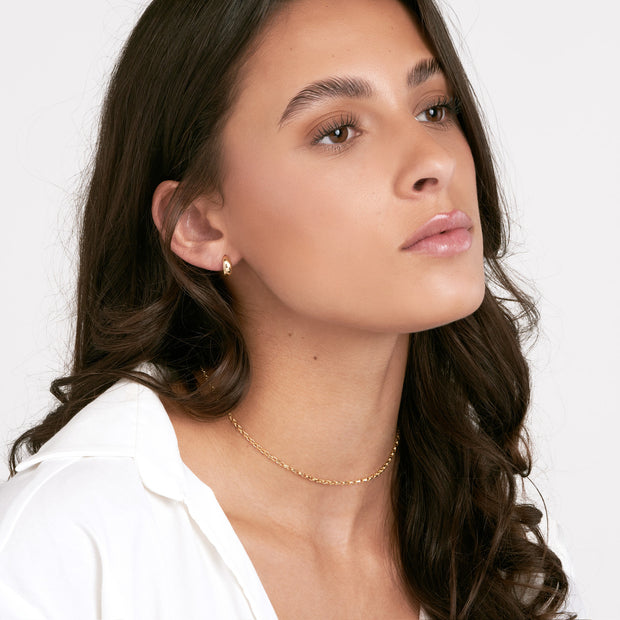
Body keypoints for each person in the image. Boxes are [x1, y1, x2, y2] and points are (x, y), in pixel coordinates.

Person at [0, 0, 581, 618]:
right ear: (199, 223)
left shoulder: (495, 540)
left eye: (434, 109)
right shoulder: (69, 550)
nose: (434, 161)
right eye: (338, 131)